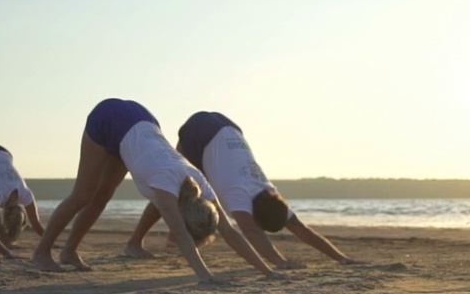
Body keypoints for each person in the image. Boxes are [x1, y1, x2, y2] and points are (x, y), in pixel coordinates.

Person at [30, 99, 286, 283]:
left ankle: (69, 251)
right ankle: (41, 252)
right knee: (83, 195)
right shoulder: (166, 187)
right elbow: (182, 236)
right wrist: (207, 277)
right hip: (110, 117)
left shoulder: (199, 183)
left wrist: (268, 271)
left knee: (103, 196)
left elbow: (231, 233)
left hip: (142, 122)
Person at [126, 111, 353, 268]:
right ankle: (136, 242)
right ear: (255, 216)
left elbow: (302, 229)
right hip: (200, 131)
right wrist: (280, 262)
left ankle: (172, 240)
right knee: (172, 185)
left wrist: (340, 257)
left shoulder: (270, 192)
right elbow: (252, 232)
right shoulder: (239, 194)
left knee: (183, 190)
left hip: (229, 129)